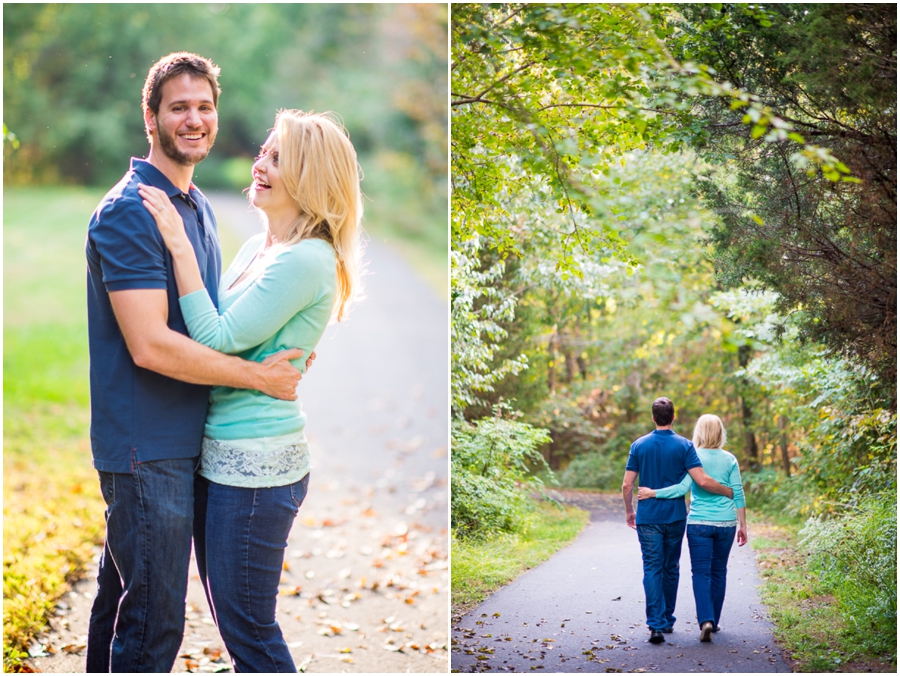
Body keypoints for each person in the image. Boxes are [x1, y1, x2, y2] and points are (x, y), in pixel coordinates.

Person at [85, 53, 311, 673]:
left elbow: (216, 324)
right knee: (154, 623)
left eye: (204, 107)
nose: (194, 119)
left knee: (124, 604)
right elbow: (150, 345)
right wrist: (259, 378)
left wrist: (285, 344)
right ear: (151, 118)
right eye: (178, 107)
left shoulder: (194, 206)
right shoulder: (133, 211)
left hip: (188, 443)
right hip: (145, 447)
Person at [137, 108, 362, 672]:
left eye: (278, 159)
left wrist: (179, 246)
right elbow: (205, 324)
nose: (260, 165)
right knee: (237, 625)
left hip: (257, 467)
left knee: (250, 632)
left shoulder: (307, 260)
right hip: (223, 457)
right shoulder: (261, 249)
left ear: (311, 178)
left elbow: (215, 334)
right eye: (264, 151)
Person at [621, 397, 734, 645]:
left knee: (652, 567)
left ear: (653, 418)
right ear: (673, 417)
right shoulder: (685, 446)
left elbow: (628, 484)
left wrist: (630, 510)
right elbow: (700, 480)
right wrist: (728, 491)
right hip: (675, 517)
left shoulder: (638, 445)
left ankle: (656, 625)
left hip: (648, 516)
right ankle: (668, 619)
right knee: (671, 567)